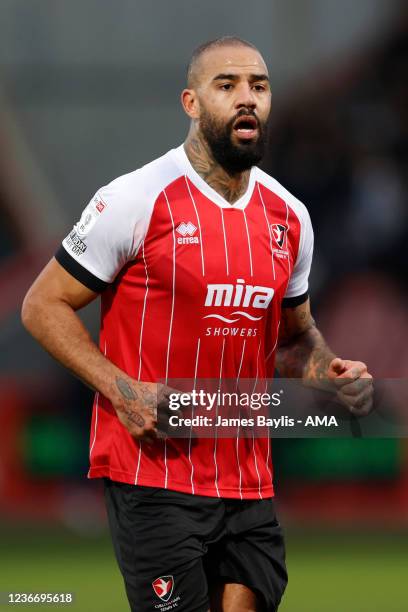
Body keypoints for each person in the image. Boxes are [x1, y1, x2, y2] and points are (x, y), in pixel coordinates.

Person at [21, 36, 373, 612]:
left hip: (248, 477)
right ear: (190, 102)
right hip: (153, 473)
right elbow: (41, 306)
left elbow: (292, 340)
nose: (247, 99)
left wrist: (327, 370)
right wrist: (120, 389)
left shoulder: (291, 217)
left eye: (258, 87)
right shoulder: (135, 199)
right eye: (227, 85)